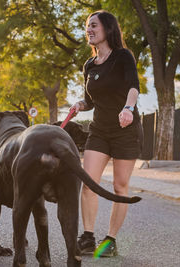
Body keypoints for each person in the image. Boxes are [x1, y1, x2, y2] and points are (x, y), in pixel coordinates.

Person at [70, 11, 143, 257]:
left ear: (107, 28)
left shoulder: (123, 56)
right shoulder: (89, 65)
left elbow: (134, 86)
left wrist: (128, 108)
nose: (89, 29)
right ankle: (88, 237)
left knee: (120, 186)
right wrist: (81, 104)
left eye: (93, 25)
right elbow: (90, 100)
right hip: (99, 131)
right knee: (89, 184)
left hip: (125, 129)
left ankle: (110, 241)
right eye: (87, 26)